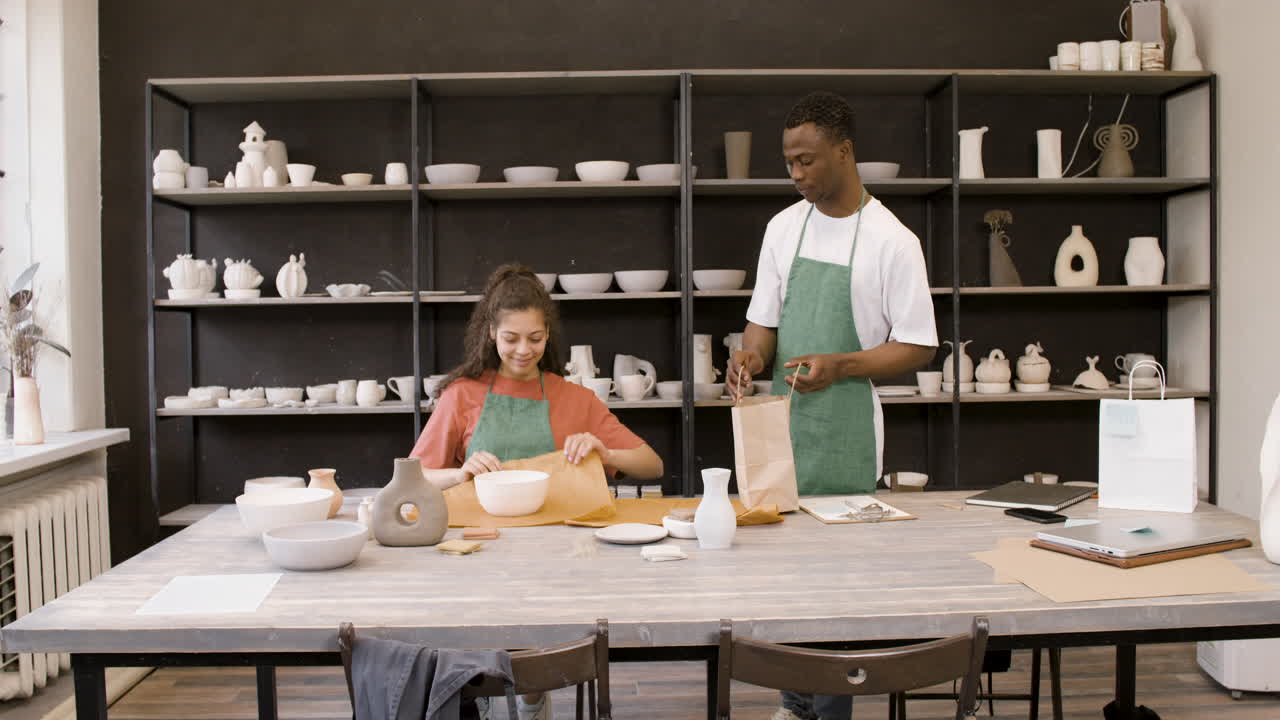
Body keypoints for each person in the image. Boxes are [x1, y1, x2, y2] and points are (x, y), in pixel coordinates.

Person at [726, 91, 937, 720]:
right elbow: (762, 324)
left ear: (845, 152)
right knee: (786, 587)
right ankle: (795, 708)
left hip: (845, 431)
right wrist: (749, 361)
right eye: (789, 162)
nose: (796, 175)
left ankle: (826, 713)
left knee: (839, 595)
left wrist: (841, 365)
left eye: (807, 160)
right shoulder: (782, 229)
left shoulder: (892, 241)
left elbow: (918, 345)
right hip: (782, 426)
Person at [409, 263, 664, 720]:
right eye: (511, 338)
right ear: (490, 333)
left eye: (535, 338)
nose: (523, 350)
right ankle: (489, 691)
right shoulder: (462, 395)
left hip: (558, 561)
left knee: (534, 666)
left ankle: (531, 696)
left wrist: (605, 451)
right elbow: (413, 477)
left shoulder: (574, 398)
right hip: (478, 556)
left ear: (549, 335)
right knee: (482, 652)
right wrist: (460, 473)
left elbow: (652, 463)